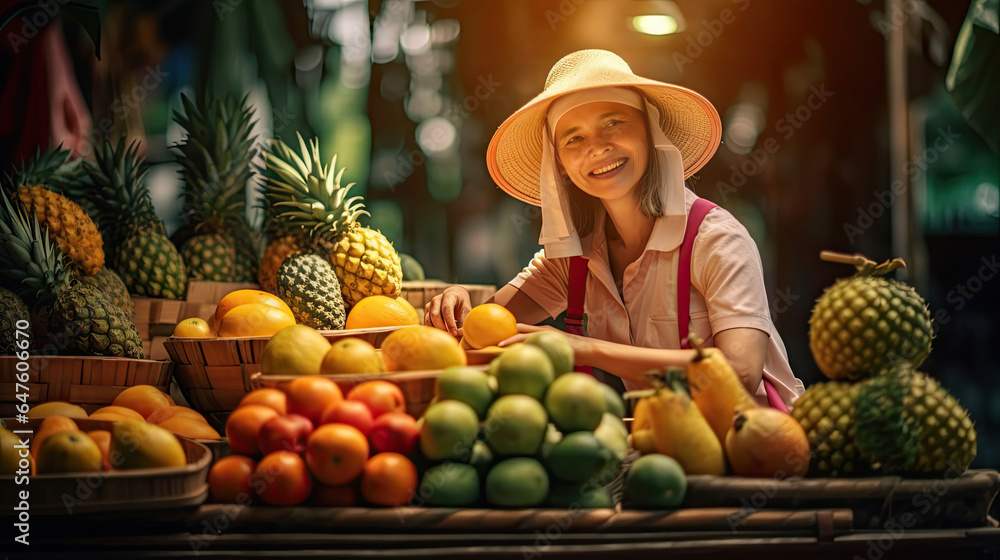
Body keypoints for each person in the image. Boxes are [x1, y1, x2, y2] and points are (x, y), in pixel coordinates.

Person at [425, 49, 804, 407]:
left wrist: (584, 349)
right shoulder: (572, 259)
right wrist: (460, 298)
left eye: (614, 123)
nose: (598, 146)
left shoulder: (716, 239)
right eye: (574, 138)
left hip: (764, 457)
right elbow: (485, 328)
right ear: (558, 164)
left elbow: (739, 374)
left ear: (650, 132)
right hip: (669, 454)